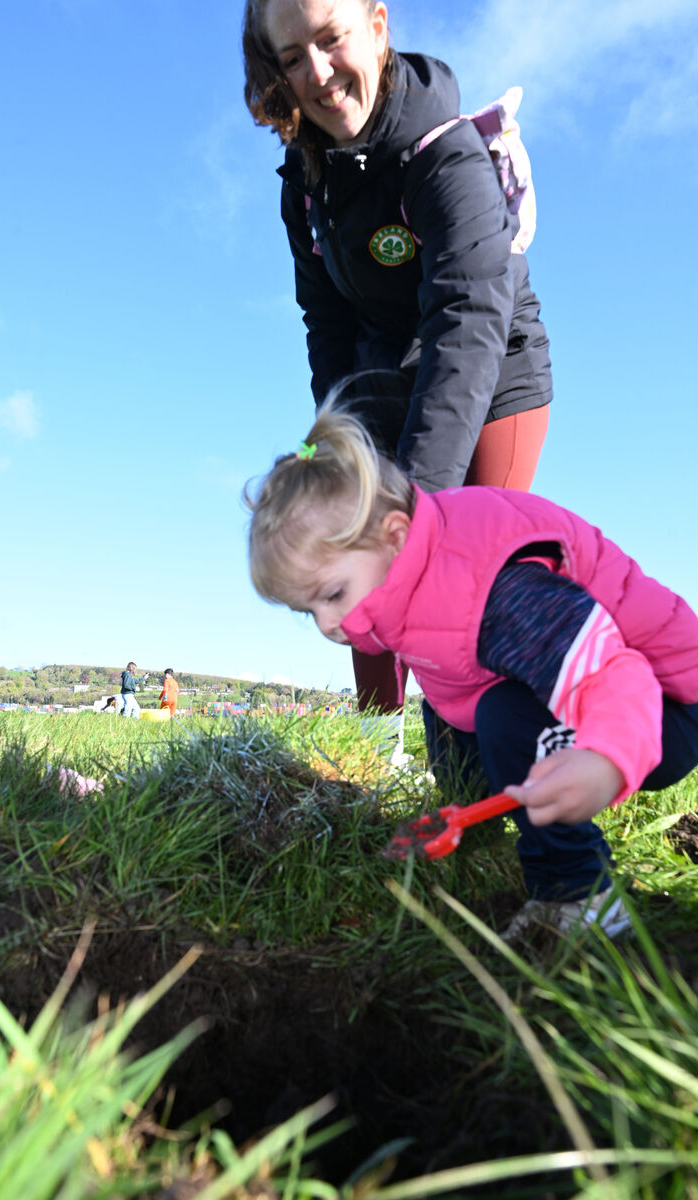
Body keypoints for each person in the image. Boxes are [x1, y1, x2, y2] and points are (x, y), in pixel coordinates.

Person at [245, 406, 698, 938]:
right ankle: (480, 824)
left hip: (660, 707)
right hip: (579, 686)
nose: (326, 624)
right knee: (448, 704)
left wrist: (604, 760)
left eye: (333, 595)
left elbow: (612, 674)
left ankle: (578, 894)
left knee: (504, 715)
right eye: (308, 610)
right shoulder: (408, 574)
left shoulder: (492, 587)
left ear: (393, 535)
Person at [242, 0, 553, 729]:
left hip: (491, 371)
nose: (317, 73)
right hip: (385, 369)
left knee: (458, 568)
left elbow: (468, 318)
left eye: (331, 39)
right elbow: (327, 320)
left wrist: (422, 504)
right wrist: (337, 449)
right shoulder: (303, 183)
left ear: (378, 27)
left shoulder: (443, 151)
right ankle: (374, 746)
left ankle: (492, 749)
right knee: (353, 539)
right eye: (292, 57)